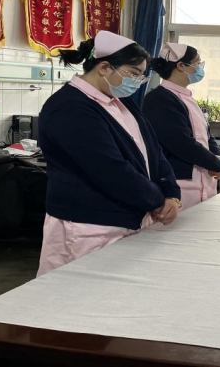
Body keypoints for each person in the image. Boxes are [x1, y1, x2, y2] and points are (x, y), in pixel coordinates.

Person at [37, 32, 182, 277]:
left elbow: (153, 151)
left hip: (128, 216)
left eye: (142, 75)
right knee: (81, 292)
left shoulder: (120, 100)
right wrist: (157, 201)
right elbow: (110, 169)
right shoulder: (70, 107)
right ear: (104, 67)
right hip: (90, 225)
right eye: (133, 73)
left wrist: (171, 193)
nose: (138, 81)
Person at [142, 43, 220, 208]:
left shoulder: (187, 97)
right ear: (181, 65)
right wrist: (217, 165)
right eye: (197, 63)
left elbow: (207, 135)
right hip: (180, 183)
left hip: (203, 182)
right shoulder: (159, 98)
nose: (200, 68)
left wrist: (218, 157)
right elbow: (180, 142)